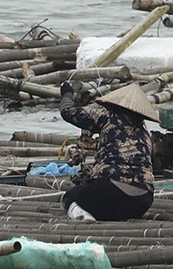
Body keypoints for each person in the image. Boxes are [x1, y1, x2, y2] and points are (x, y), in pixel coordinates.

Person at [57, 81, 157, 221]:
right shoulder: (146, 135)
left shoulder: (107, 117)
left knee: (70, 197)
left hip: (111, 190)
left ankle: (84, 219)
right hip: (143, 199)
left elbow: (67, 112)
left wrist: (67, 94)